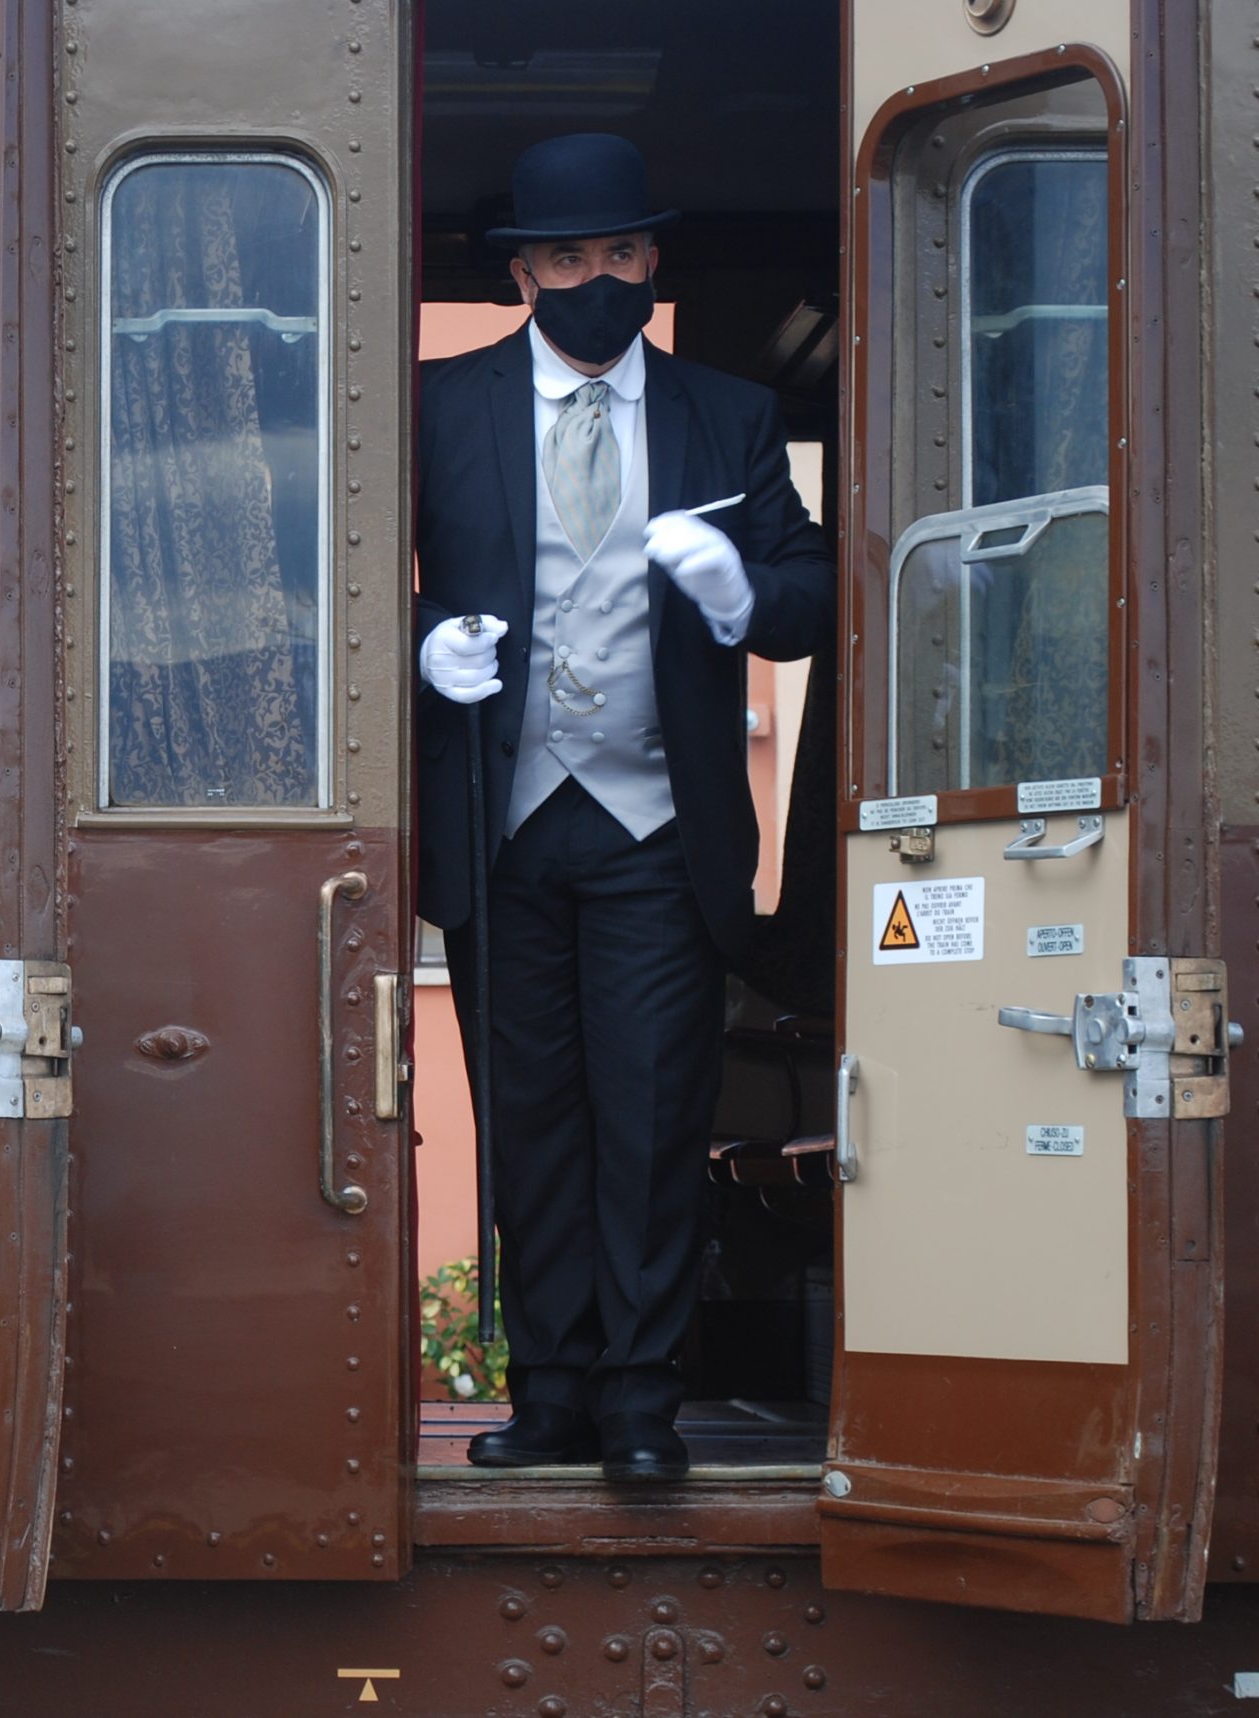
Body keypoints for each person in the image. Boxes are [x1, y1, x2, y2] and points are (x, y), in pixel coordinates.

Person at [413, 133, 833, 1482]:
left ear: (650, 260)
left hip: (661, 827)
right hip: (505, 816)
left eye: (622, 255)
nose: (599, 277)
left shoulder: (730, 412)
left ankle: (643, 1402)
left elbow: (817, 587)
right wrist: (421, 646)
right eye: (570, 257)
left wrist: (742, 599)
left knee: (653, 1117)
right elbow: (343, 575)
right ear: (525, 270)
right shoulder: (437, 403)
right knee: (527, 1115)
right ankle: (550, 1393)